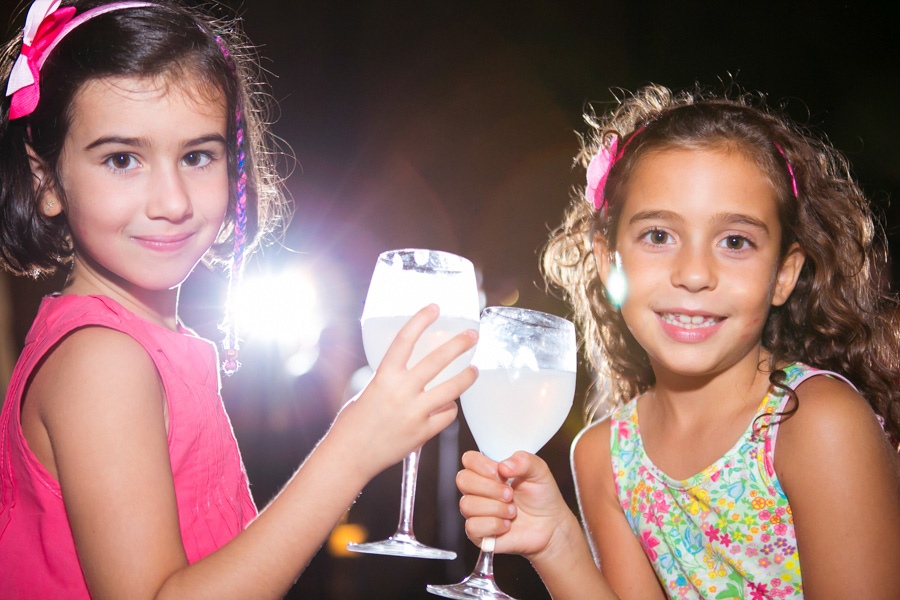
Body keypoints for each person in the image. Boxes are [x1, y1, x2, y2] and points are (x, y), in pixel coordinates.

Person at [0, 1, 478, 598]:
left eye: (198, 156)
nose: (172, 201)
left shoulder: (138, 345)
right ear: (45, 180)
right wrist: (353, 446)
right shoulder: (103, 361)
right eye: (122, 160)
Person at [454, 84, 900, 599]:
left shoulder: (815, 423)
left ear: (783, 274)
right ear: (607, 260)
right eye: (659, 236)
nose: (693, 274)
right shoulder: (605, 456)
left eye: (735, 242)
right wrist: (556, 542)